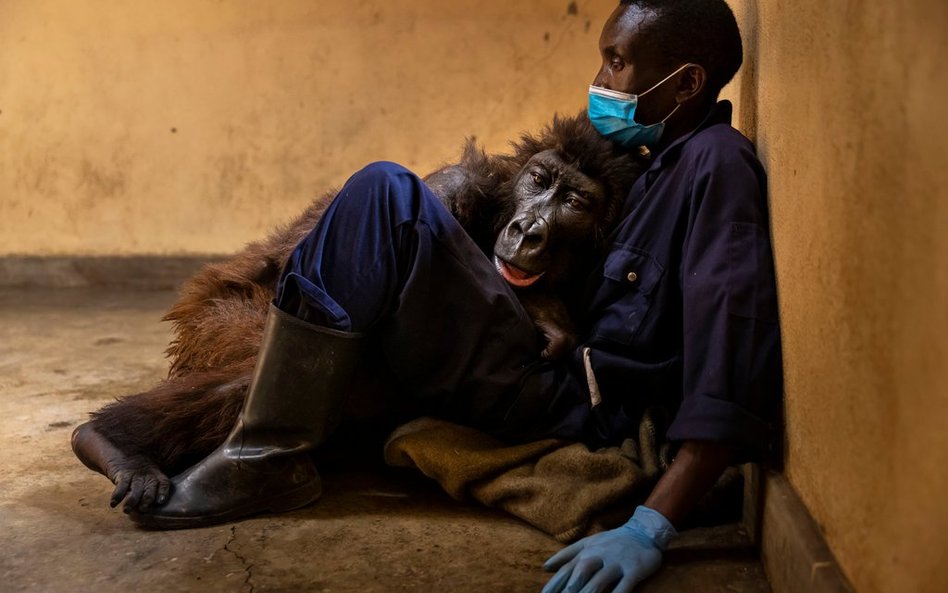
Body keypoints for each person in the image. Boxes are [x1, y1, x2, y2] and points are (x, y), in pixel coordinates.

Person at [130, 1, 781, 591]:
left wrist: (651, 524)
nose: (601, 83)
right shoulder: (636, 156)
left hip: (564, 399)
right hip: (533, 354)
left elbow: (730, 354)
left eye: (617, 63)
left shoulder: (715, 166)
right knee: (392, 206)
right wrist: (538, 305)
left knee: (386, 195)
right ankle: (263, 432)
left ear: (689, 82)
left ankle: (265, 454)